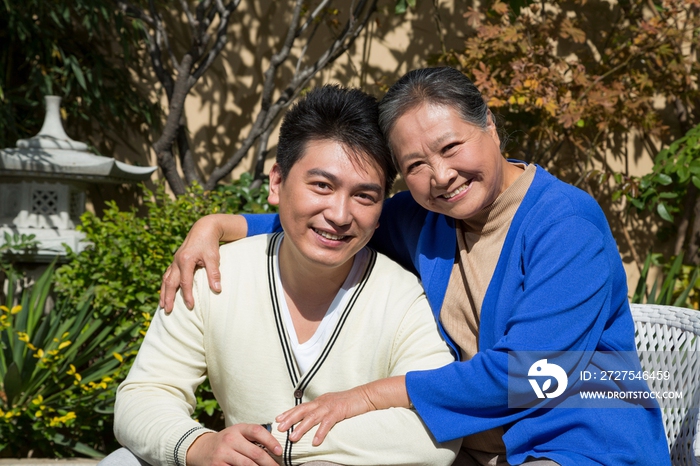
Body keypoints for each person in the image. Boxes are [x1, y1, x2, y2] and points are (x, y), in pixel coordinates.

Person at [160, 67, 671, 466]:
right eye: (415, 166)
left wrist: (368, 396)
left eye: (451, 147)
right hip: (474, 452)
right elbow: (326, 221)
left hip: (583, 443)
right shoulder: (423, 216)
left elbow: (534, 375)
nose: (442, 175)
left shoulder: (566, 222)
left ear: (490, 126)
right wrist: (218, 224)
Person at [103, 85, 459, 466]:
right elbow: (144, 394)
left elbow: (436, 427)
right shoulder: (216, 276)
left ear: (381, 208)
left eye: (364, 196)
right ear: (277, 183)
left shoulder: (401, 296)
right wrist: (200, 446)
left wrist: (277, 446)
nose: (339, 215)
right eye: (322, 185)